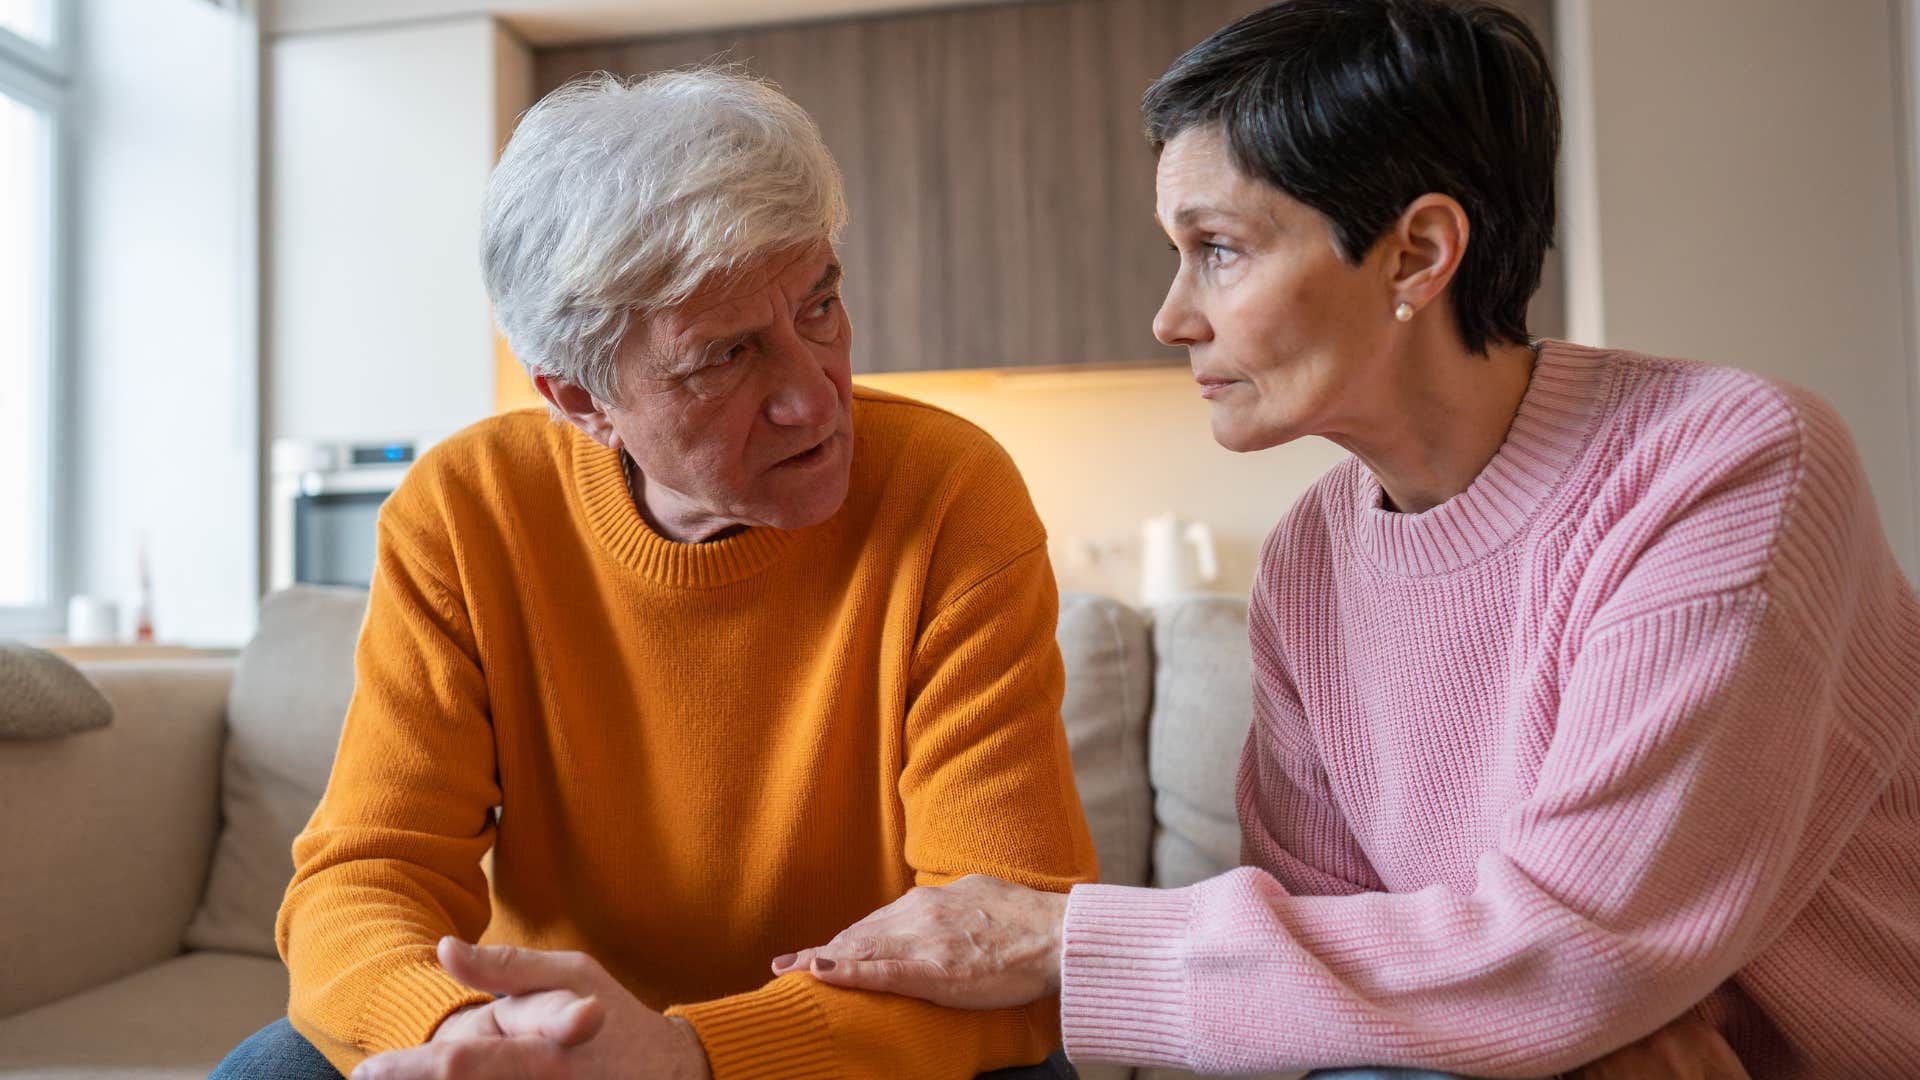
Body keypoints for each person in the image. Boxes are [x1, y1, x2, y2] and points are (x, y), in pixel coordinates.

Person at [776, 2, 1920, 1077]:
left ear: (1418, 254)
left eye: (1218, 247)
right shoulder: (1313, 558)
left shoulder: (1731, 467)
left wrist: (1069, 940)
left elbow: (1581, 950)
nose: (1172, 316)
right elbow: (1325, 974)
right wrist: (1536, 1026)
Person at [211, 68, 1096, 1080]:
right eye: (725, 356)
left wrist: (692, 1056)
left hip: (844, 1040)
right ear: (582, 397)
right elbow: (366, 874)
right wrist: (458, 1034)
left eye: (820, 306)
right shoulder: (463, 510)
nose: (813, 398)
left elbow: (1019, 931)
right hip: (563, 1040)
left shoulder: (950, 493)